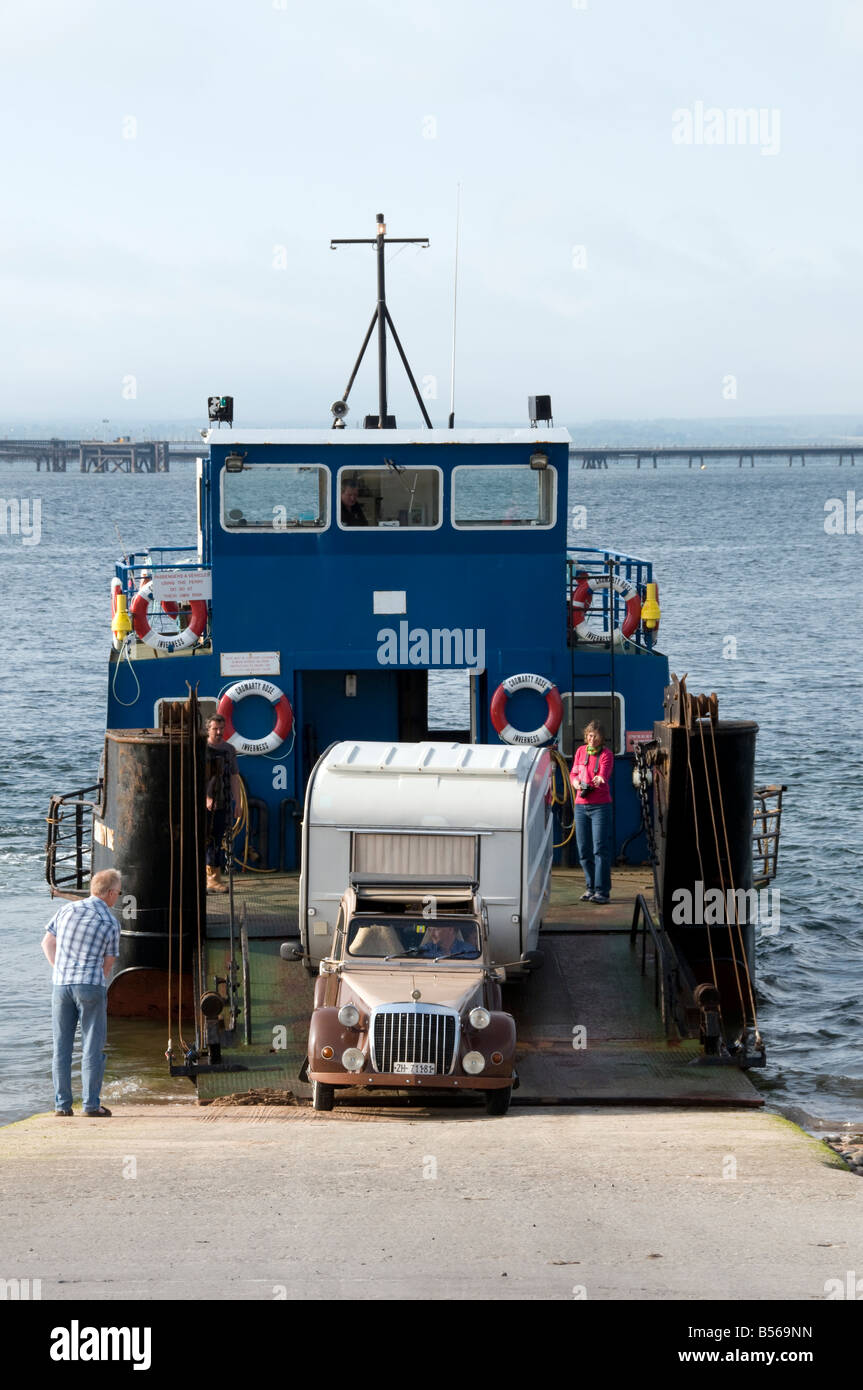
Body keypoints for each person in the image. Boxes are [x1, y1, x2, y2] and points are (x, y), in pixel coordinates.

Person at [41, 867, 122, 1117]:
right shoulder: (110, 921)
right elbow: (108, 964)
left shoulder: (67, 910)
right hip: (90, 985)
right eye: (118, 892)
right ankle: (90, 1105)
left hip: (61, 984)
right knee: (91, 1046)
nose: (118, 897)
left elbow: (47, 942)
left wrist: (60, 968)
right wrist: (94, 978)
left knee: (62, 1047)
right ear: (109, 893)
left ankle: (62, 1106)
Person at [570, 719, 614, 904]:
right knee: (583, 850)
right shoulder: (580, 752)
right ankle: (590, 887)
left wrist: (599, 779)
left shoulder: (606, 754)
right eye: (589, 735)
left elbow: (604, 773)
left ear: (602, 738)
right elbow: (573, 773)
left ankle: (602, 891)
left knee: (599, 849)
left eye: (595, 736)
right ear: (585, 736)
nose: (592, 739)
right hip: (580, 805)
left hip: (600, 806)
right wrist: (576, 783)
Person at [205, 714, 241, 893]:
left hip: (223, 802)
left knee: (217, 840)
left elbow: (234, 777)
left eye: (221, 729)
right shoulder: (201, 748)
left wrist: (238, 803)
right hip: (204, 805)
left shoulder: (229, 750)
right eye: (215, 729)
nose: (219, 732)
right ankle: (208, 878)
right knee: (206, 839)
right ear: (208, 729)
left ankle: (214, 878)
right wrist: (206, 797)